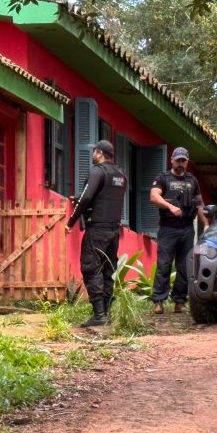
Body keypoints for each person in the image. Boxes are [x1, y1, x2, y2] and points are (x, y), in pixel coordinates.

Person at [65, 139, 128, 327]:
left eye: (95, 152)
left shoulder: (97, 171)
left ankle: (99, 314)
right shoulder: (121, 175)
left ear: (99, 153)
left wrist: (71, 222)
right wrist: (80, 199)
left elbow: (87, 197)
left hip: (97, 229)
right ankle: (106, 314)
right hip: (114, 230)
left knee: (91, 268)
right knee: (107, 270)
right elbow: (104, 197)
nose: (93, 154)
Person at [150, 146, 209, 314]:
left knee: (184, 266)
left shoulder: (192, 181)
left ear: (187, 162)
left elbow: (199, 204)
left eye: (184, 161)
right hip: (168, 228)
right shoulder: (163, 178)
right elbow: (154, 196)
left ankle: (179, 301)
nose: (181, 164)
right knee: (164, 265)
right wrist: (170, 207)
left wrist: (206, 224)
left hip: (186, 228)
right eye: (178, 160)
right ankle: (158, 301)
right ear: (172, 160)